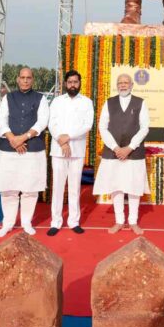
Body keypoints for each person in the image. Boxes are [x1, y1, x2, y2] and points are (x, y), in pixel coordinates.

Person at [0, 67, 50, 237]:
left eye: (29, 78)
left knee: (30, 189)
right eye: (22, 77)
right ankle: (8, 223)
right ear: (17, 79)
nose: (25, 81)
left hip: (32, 149)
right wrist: (13, 139)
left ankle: (26, 222)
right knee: (8, 188)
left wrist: (23, 138)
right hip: (8, 149)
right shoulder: (8, 98)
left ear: (33, 80)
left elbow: (42, 122)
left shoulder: (41, 99)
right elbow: (1, 119)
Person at [93, 73, 150, 234]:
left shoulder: (141, 103)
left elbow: (144, 127)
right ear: (117, 85)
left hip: (134, 152)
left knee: (134, 187)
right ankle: (119, 221)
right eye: (120, 82)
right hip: (113, 153)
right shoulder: (109, 102)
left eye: (126, 83)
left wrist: (129, 148)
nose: (123, 85)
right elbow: (102, 127)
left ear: (132, 85)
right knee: (116, 186)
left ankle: (132, 221)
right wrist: (116, 148)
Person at [46, 70, 95, 236]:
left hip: (77, 150)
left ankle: (74, 221)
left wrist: (68, 137)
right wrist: (61, 139)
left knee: (75, 187)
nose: (72, 85)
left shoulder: (87, 102)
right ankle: (56, 221)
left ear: (79, 83)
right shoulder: (57, 102)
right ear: (65, 84)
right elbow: (51, 123)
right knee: (58, 186)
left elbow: (87, 125)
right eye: (70, 82)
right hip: (58, 149)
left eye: (75, 82)